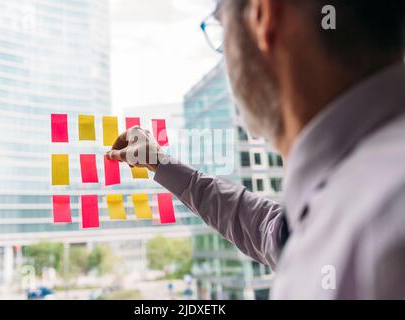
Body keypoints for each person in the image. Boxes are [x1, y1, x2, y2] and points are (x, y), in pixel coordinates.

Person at [107, 0, 405, 299]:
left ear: (263, 16)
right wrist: (161, 164)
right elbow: (267, 230)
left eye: (220, 27)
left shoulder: (379, 229)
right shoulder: (343, 205)